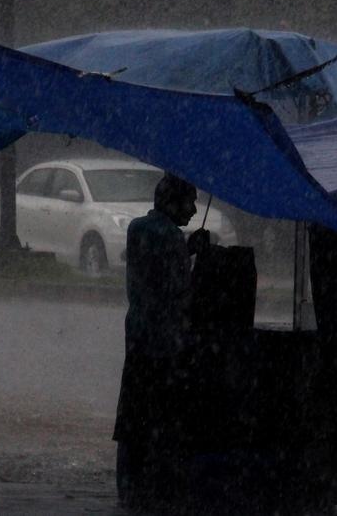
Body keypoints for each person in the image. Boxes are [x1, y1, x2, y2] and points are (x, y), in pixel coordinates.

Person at [114, 173, 209, 510]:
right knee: (162, 420)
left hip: (137, 337)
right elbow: (179, 291)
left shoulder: (137, 228)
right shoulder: (170, 237)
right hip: (165, 344)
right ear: (174, 201)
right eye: (191, 201)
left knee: (132, 420)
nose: (195, 210)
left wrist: (185, 251)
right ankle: (158, 489)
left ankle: (129, 487)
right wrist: (196, 262)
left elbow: (153, 272)